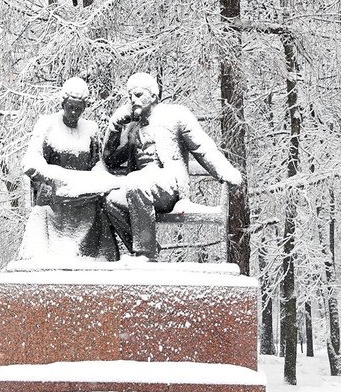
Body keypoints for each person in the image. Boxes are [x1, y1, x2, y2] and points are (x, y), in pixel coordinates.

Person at [102, 72, 242, 261]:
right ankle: (145, 248)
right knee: (112, 202)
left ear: (153, 96)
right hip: (140, 188)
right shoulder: (132, 127)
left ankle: (146, 254)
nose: (133, 100)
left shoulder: (175, 115)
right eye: (130, 96)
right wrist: (114, 128)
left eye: (138, 94)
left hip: (169, 185)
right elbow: (110, 160)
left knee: (136, 184)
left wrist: (225, 171)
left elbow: (202, 147)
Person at [18, 77, 120, 261]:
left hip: (84, 198)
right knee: (46, 215)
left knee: (98, 213)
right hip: (54, 199)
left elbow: (96, 164)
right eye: (70, 107)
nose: (74, 112)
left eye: (78, 109)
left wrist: (102, 180)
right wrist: (54, 176)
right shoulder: (46, 125)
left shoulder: (90, 129)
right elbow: (30, 161)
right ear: (63, 103)